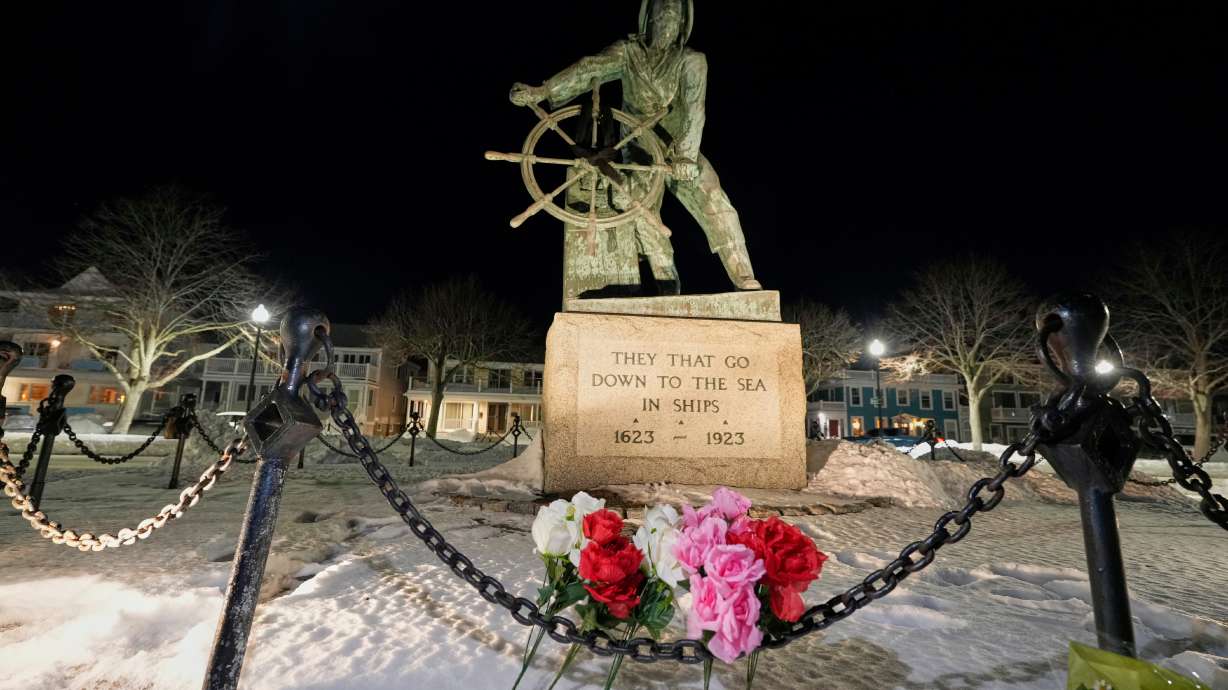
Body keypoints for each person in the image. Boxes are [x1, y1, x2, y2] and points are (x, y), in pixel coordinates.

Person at [510, 0, 761, 293]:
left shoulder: (692, 61)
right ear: (648, 18)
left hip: (679, 149)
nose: (668, 14)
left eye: (676, 12)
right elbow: (589, 68)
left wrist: (686, 156)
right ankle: (667, 282)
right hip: (639, 150)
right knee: (636, 206)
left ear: (683, 23)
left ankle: (743, 274)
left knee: (713, 196)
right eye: (662, 9)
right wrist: (543, 91)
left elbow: (695, 110)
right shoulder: (628, 53)